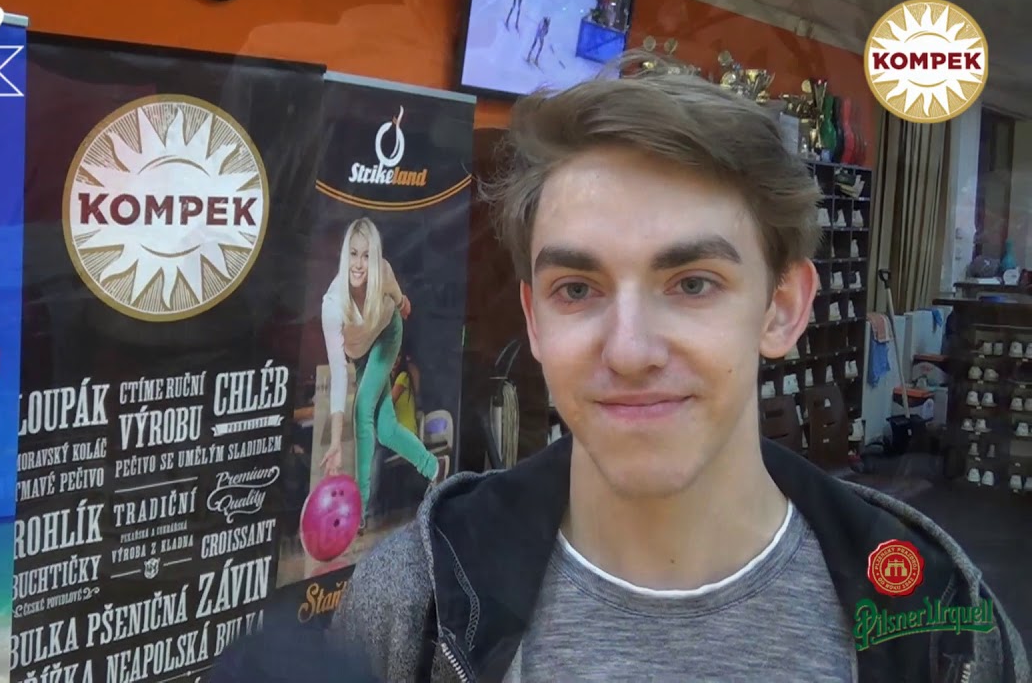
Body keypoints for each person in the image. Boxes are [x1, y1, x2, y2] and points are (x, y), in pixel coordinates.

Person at [327, 53, 1028, 681]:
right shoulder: (416, 604)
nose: (630, 352)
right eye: (577, 290)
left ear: (782, 308)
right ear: (534, 320)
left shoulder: (940, 622)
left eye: (693, 284)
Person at [318, 218, 442, 531]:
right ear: (345, 255)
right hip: (360, 356)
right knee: (385, 430)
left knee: (363, 411)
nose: (359, 264)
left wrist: (403, 304)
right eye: (353, 254)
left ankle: (359, 513)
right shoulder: (332, 306)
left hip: (387, 336)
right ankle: (434, 469)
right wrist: (336, 441)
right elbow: (338, 375)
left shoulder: (383, 272)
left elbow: (398, 298)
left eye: (366, 256)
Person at [390, 352, 421, 435]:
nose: (395, 359)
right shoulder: (394, 380)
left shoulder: (403, 376)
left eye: (398, 355)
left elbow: (390, 402)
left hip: (405, 430)